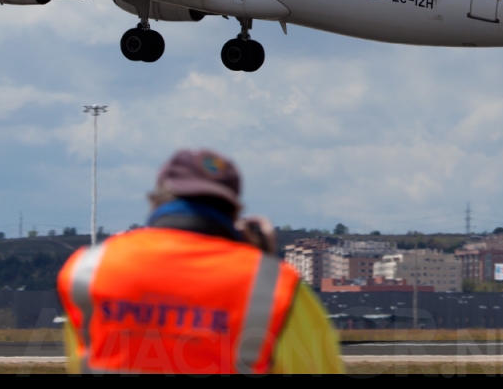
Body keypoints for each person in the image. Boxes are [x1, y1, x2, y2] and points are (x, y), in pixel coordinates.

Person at [57, 149, 344, 375]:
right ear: (235, 214)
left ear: (154, 202)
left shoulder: (90, 268)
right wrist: (263, 264)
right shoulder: (272, 286)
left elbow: (81, 358)